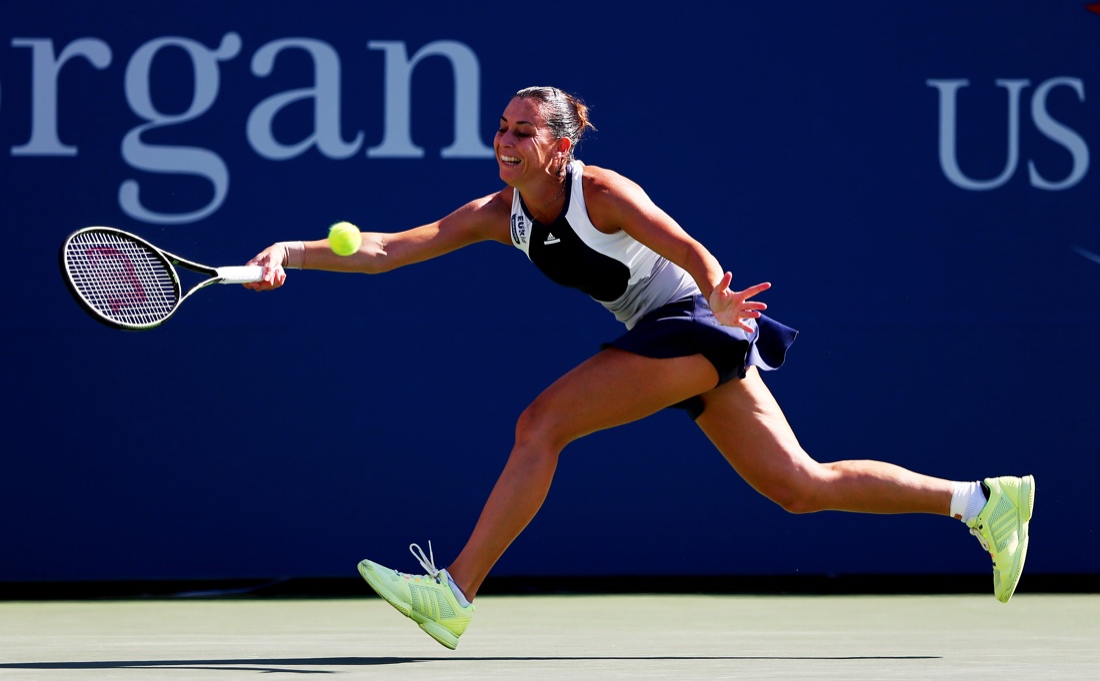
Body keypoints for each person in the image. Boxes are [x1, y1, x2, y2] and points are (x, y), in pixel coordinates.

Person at [245, 86, 1035, 650]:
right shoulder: (498, 213)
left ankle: (453, 591)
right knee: (800, 485)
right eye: (503, 127)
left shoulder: (606, 193)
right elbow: (388, 249)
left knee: (540, 424)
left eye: (524, 132)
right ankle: (982, 501)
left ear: (560, 147)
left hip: (694, 320)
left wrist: (721, 302)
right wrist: (292, 252)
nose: (506, 142)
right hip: (679, 330)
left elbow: (690, 249)